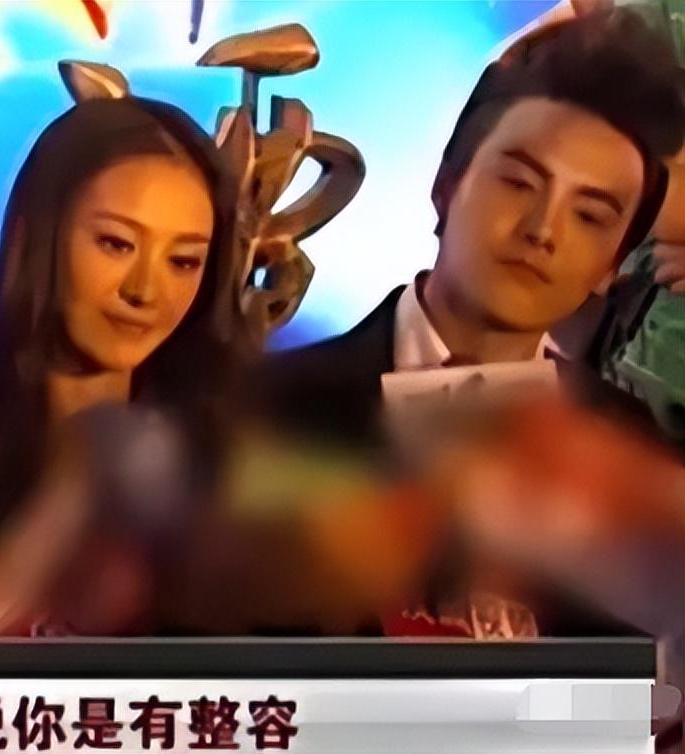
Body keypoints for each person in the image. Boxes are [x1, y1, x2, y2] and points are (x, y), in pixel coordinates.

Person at [260, 8, 685, 452]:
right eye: (519, 184)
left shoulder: (637, 452)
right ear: (446, 185)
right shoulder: (261, 411)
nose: (543, 230)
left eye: (589, 216)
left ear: (614, 264)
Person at [0, 86, 250, 638]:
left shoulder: (222, 487)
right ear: (35, 236)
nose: (145, 291)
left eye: (184, 261)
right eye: (116, 244)